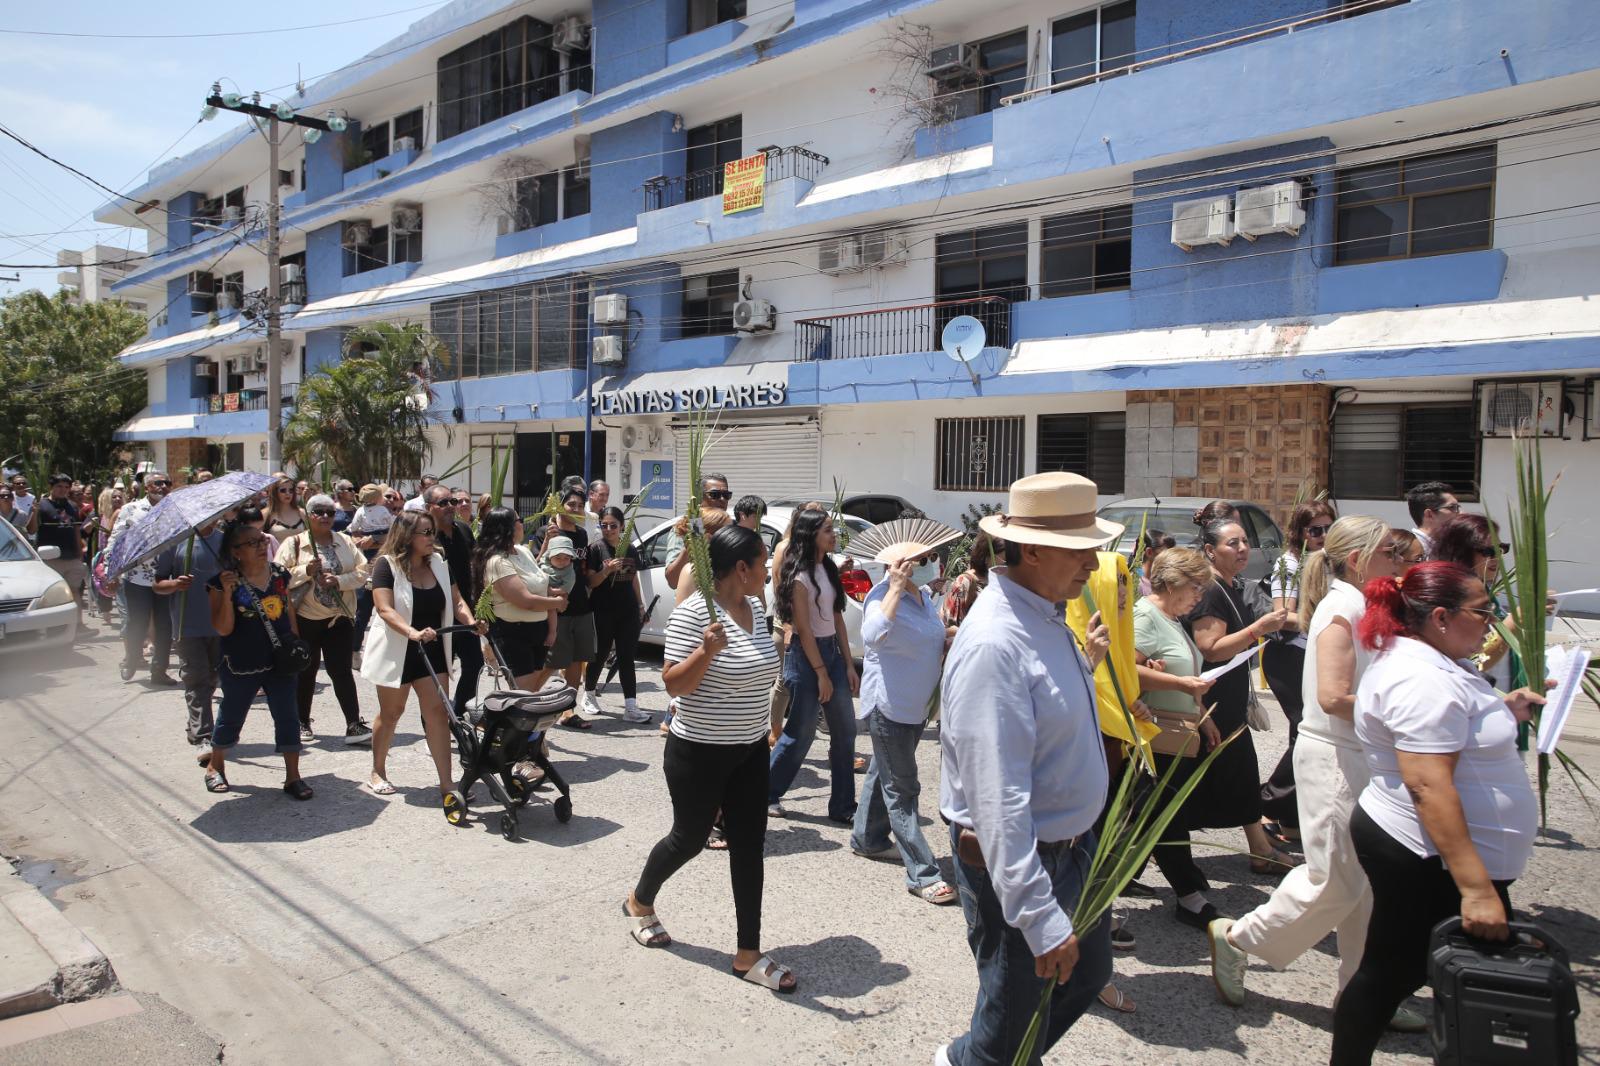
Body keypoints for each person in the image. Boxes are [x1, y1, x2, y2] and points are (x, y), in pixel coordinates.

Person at [1209, 517, 1428, 1034]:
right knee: (1333, 880)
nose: (1398, 563)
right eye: (1389, 553)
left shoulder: (1362, 605)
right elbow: (1332, 697)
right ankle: (1239, 938)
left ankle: (1363, 991)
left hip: (1361, 754)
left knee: (1366, 883)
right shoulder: (1340, 609)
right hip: (1335, 756)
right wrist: (1406, 713)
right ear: (1357, 559)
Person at [935, 472, 1123, 1066]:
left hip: (1072, 849)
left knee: (1085, 975)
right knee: (1010, 1034)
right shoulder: (996, 643)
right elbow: (998, 802)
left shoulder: (1045, 614)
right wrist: (1039, 917)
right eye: (1080, 549)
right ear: (1032, 550)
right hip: (1027, 862)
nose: (1093, 563)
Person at [1329, 562, 1544, 1066]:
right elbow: (1427, 784)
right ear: (1442, 617)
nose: (1492, 622)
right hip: (1423, 853)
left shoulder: (1437, 662)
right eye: (1483, 611)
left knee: (1394, 971)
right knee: (1390, 973)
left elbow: (1457, 729)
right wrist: (1476, 890)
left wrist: (1503, 710)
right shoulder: (1419, 677)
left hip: (1434, 853)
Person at [623, 525, 796, 992]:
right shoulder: (693, 614)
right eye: (762, 564)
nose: (767, 571)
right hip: (698, 752)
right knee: (689, 839)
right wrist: (705, 650)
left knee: (749, 845)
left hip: (750, 750)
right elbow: (674, 684)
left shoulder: (756, 608)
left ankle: (747, 954)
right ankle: (640, 901)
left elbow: (762, 671)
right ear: (740, 569)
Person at [850, 522, 961, 905]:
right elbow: (872, 636)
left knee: (884, 773)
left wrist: (949, 636)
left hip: (917, 707)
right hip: (890, 707)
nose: (931, 563)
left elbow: (927, 636)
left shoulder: (924, 598)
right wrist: (895, 587)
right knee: (902, 789)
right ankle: (923, 873)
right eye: (924, 558)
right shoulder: (882, 595)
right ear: (901, 563)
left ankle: (867, 838)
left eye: (931, 557)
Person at [1188, 518, 1300, 882]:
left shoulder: (1229, 586)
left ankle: (1260, 849)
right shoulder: (1210, 590)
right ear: (1210, 550)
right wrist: (1258, 630)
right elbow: (1211, 648)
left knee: (1240, 773)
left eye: (1244, 542)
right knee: (1227, 774)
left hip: (1228, 698)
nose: (1242, 549)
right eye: (1232, 543)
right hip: (1213, 700)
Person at [360, 510, 484, 818]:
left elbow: (456, 600)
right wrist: (411, 632)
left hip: (433, 651)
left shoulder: (440, 564)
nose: (432, 538)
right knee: (392, 713)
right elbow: (384, 609)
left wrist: (470, 622)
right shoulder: (387, 566)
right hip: (398, 650)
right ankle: (378, 770)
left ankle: (447, 783)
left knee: (438, 715)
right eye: (425, 533)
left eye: (432, 532)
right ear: (406, 536)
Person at [1132, 547, 1225, 928]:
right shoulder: (1146, 616)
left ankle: (1121, 877)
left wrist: (1202, 717)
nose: (1199, 596)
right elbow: (1127, 672)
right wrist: (1182, 685)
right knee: (1165, 816)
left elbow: (1179, 676)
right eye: (1195, 587)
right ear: (1172, 583)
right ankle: (1188, 895)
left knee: (1154, 814)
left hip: (1177, 730)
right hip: (1156, 734)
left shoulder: (1169, 618)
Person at [202, 519, 311, 800]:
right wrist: (227, 594)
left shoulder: (279, 574)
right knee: (232, 714)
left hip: (281, 659)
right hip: (241, 661)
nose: (262, 546)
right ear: (236, 551)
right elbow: (222, 628)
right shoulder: (220, 583)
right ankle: (216, 765)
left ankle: (293, 776)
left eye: (262, 540)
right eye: (252, 543)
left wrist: (296, 643)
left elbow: (287, 610)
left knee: (288, 716)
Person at [768, 508, 858, 823]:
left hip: (830, 652)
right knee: (801, 732)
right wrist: (821, 674)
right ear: (811, 536)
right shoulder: (798, 576)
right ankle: (766, 793)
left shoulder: (828, 569)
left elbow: (837, 619)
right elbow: (804, 631)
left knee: (846, 732)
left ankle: (843, 806)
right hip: (805, 657)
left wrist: (848, 664)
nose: (834, 535)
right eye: (828, 530)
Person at [1260, 499, 1337, 841]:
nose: (1322, 535)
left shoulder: (1333, 561)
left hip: (1317, 652)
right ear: (1300, 533)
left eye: (1328, 528)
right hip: (1291, 655)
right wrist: (1324, 618)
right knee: (1307, 732)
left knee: (1308, 733)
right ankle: (1269, 802)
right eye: (1315, 530)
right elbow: (1282, 615)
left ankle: (1289, 817)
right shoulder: (1289, 563)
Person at [276, 495, 373, 745]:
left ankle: (353, 724)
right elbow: (277, 577)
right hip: (306, 618)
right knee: (306, 671)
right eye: (318, 512)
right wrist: (305, 571)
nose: (325, 516)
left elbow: (362, 571)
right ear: (308, 516)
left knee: (341, 671)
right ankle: (301, 721)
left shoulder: (345, 541)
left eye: (330, 512)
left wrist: (338, 581)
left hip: (340, 618)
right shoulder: (294, 544)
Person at [153, 519, 226, 767]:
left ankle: (196, 723)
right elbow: (158, 584)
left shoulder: (223, 540)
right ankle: (204, 737)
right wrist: (175, 584)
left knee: (212, 679)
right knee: (196, 680)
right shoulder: (175, 542)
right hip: (187, 626)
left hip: (219, 623)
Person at [472, 508, 567, 691]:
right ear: (507, 527)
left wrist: (554, 592)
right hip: (513, 633)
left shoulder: (523, 551)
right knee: (524, 692)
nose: (523, 524)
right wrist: (557, 603)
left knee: (532, 690)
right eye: (519, 521)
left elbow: (536, 579)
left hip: (538, 630)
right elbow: (525, 600)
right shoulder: (497, 561)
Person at [108, 470, 176, 685]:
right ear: (146, 487)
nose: (163, 486)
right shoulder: (131, 509)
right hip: (137, 576)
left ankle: (159, 670)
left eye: (167, 483)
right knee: (137, 621)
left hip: (165, 576)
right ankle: (132, 658)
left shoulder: (176, 509)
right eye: (158, 483)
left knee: (165, 625)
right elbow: (116, 540)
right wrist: (111, 571)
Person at [538, 489, 600, 721]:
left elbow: (582, 568)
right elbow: (535, 566)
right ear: (560, 506)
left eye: (580, 505)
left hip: (581, 605)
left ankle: (568, 710)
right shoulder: (548, 531)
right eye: (571, 504)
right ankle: (523, 701)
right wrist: (547, 540)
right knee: (552, 662)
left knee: (577, 659)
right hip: (557, 609)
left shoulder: (582, 535)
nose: (576, 509)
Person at [425, 485, 485, 722]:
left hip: (464, 609)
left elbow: (475, 565)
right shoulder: (425, 537)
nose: (451, 506)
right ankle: (432, 724)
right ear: (429, 507)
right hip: (436, 616)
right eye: (443, 503)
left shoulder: (463, 529)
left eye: (452, 501)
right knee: (438, 674)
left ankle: (456, 714)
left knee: (475, 665)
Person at [587, 506, 651, 723]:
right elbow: (591, 582)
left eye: (613, 525)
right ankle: (589, 694)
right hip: (603, 609)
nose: (608, 529)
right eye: (604, 525)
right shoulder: (596, 548)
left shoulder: (630, 549)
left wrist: (641, 606)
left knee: (626, 656)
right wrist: (606, 571)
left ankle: (630, 706)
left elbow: (634, 579)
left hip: (628, 610)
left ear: (622, 526)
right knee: (601, 653)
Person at [663, 473, 732, 589]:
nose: (722, 499)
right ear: (699, 497)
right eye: (714, 495)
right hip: (694, 596)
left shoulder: (731, 526)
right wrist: (691, 546)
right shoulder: (687, 526)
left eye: (726, 495)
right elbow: (673, 581)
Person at [35, 474, 87, 609]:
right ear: (51, 487)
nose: (63, 489)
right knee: (53, 594)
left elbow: (76, 531)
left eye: (66, 487)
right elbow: (32, 529)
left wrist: (80, 553)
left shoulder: (73, 506)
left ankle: (77, 620)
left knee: (74, 591)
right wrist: (34, 512)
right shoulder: (41, 505)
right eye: (59, 486)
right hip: (51, 559)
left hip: (72, 558)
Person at [940, 531, 996, 628]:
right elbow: (951, 627)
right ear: (988, 557)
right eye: (1004, 558)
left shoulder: (998, 582)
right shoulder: (964, 582)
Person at [1403, 480, 1459, 558]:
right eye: (1452, 507)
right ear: (1429, 514)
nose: (1459, 513)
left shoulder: (1445, 548)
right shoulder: (1407, 548)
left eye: (1457, 508)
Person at [1137, 529, 1177, 597]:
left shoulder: (1165, 580)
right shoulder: (1136, 582)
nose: (1171, 557)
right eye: (1166, 553)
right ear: (1149, 552)